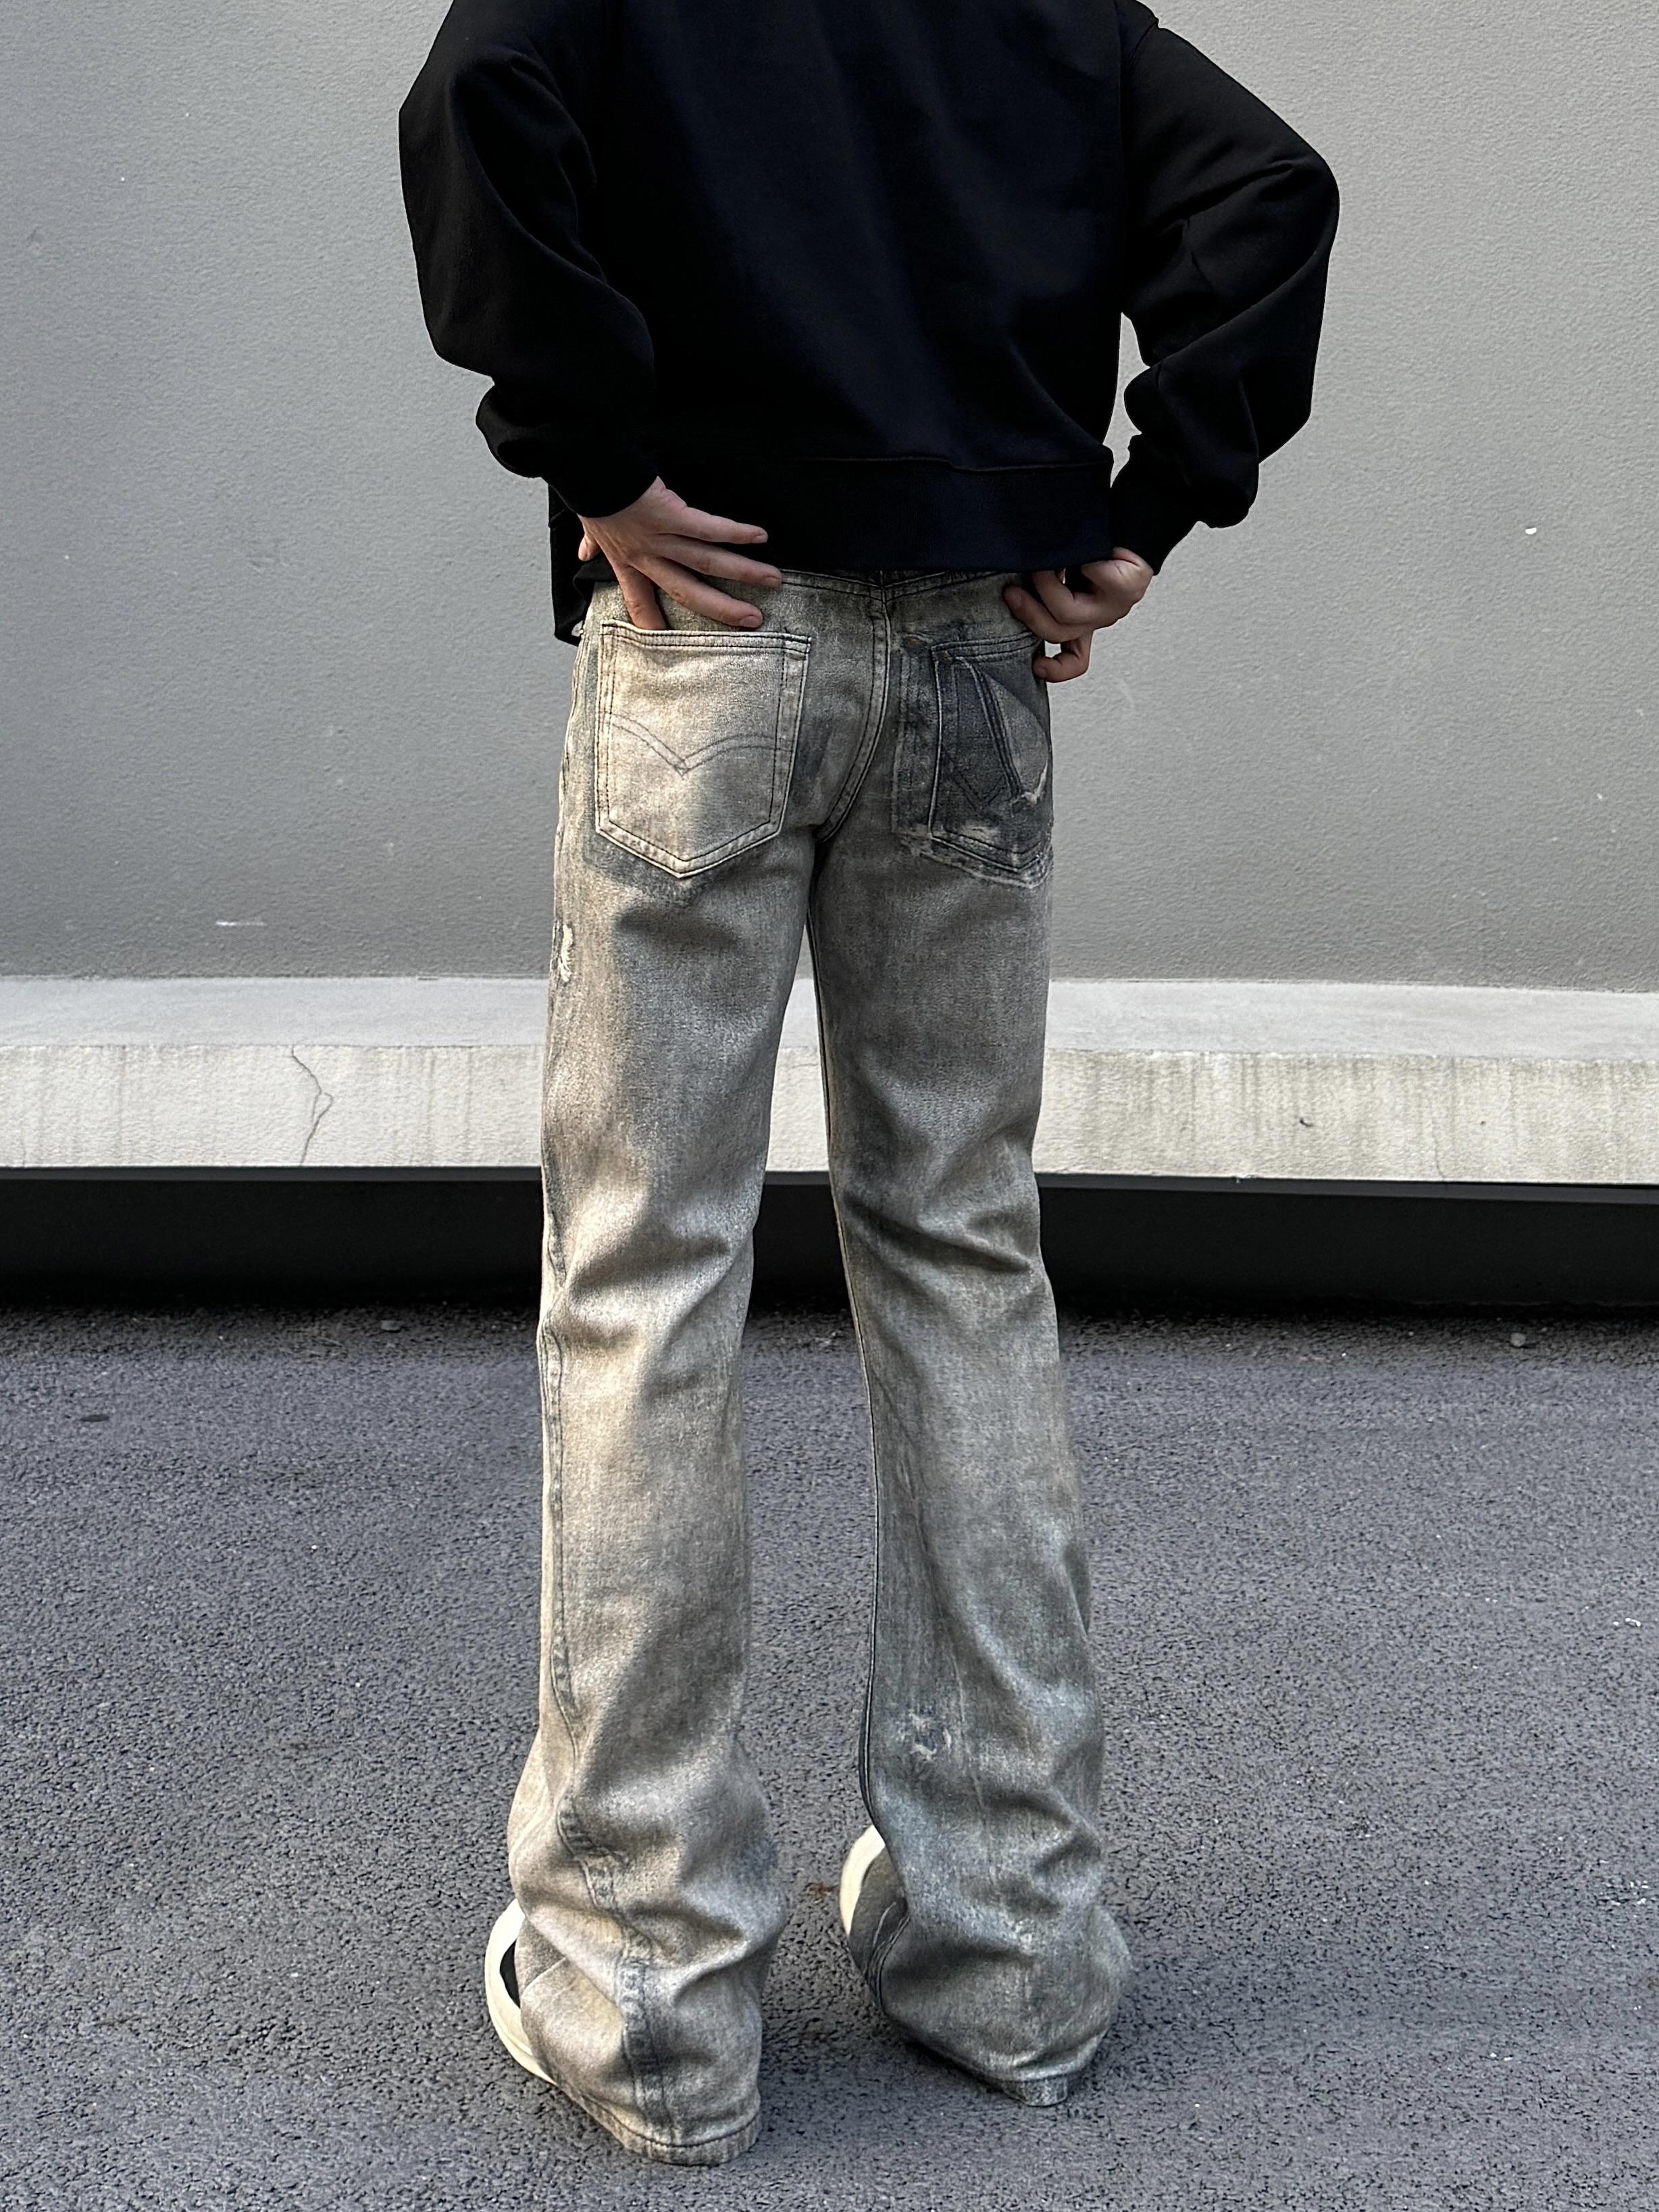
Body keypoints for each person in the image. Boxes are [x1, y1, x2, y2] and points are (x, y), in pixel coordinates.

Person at [399, 0, 1337, 2165]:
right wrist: (1147, 503)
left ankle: (648, 1991)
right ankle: (1013, 1955)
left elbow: (475, 98)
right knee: (962, 1255)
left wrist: (598, 455)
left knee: (645, 1273)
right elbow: (1266, 191)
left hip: (706, 638)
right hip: (973, 653)